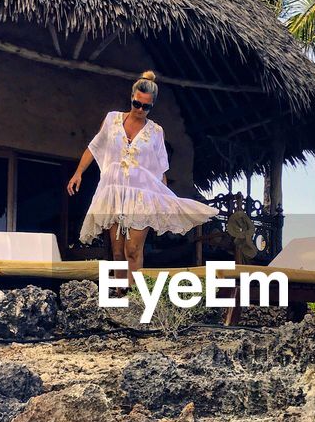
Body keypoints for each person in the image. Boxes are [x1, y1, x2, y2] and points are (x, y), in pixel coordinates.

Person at [67, 71, 217, 275]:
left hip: (141, 196)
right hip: (115, 193)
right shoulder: (112, 120)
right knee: (118, 252)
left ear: (152, 106)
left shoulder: (156, 131)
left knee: (132, 250)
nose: (140, 109)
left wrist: (163, 201)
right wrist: (78, 173)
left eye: (146, 107)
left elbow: (160, 168)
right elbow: (94, 147)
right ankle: (121, 295)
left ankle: (133, 295)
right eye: (137, 104)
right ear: (132, 98)